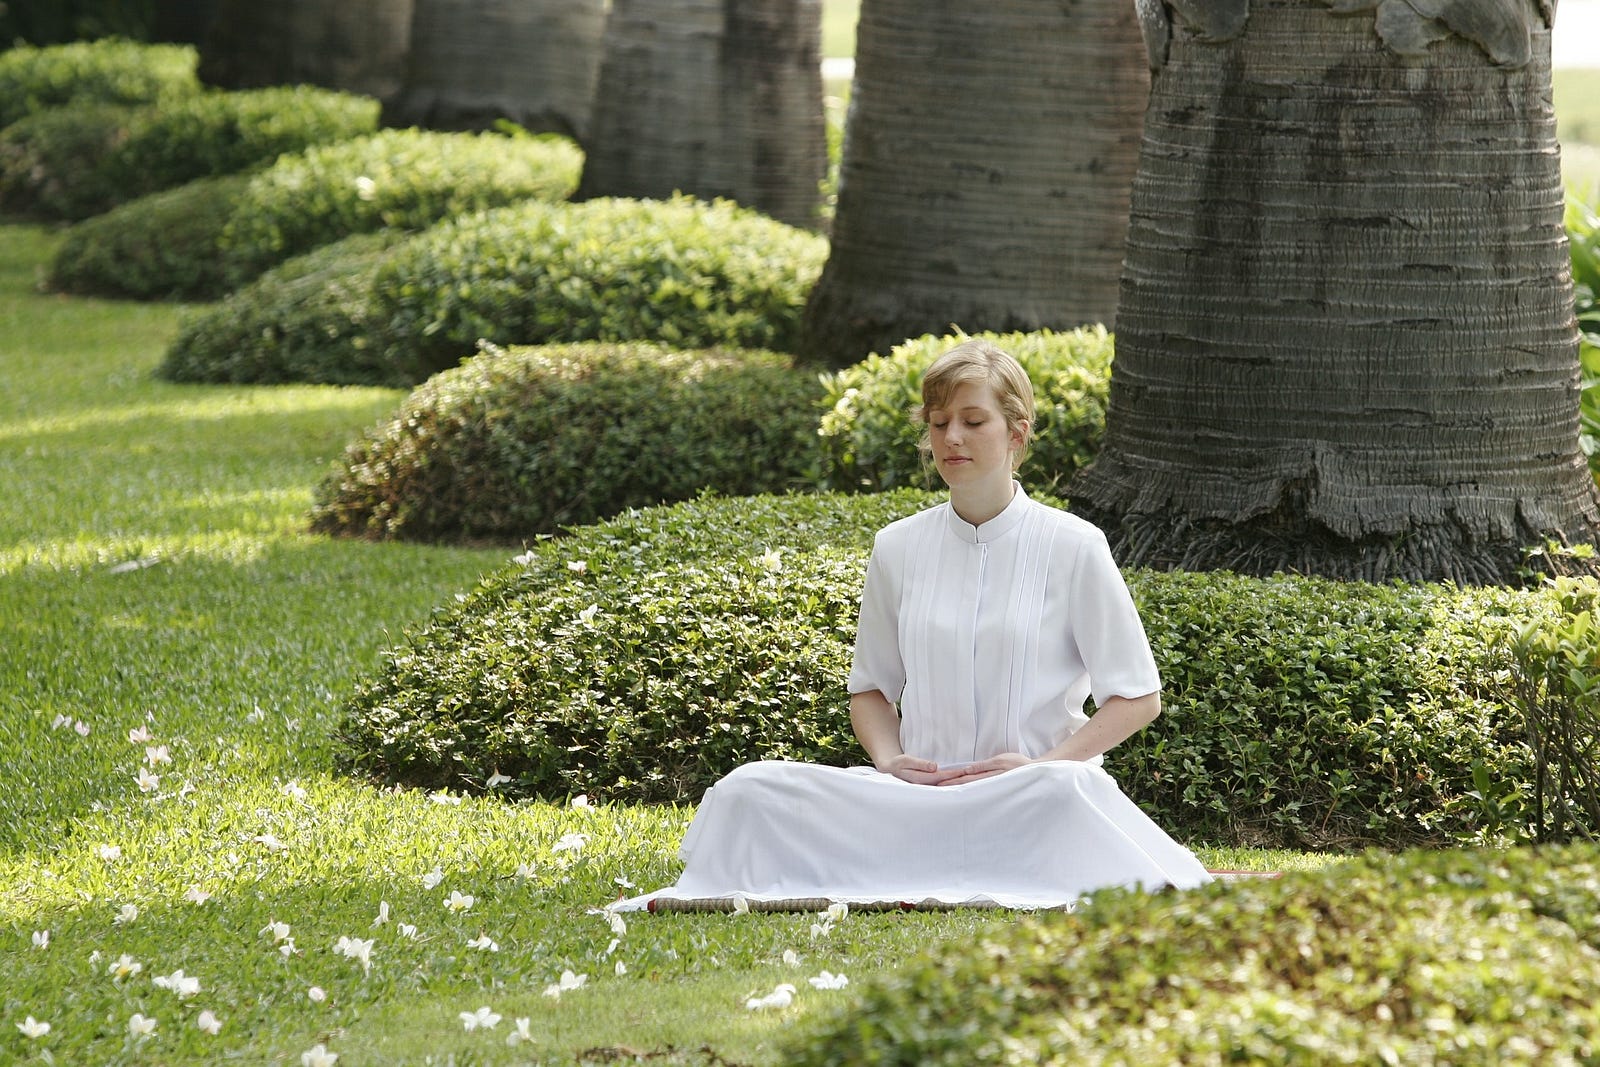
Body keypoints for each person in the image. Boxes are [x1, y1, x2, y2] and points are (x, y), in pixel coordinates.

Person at [615, 339, 1211, 911]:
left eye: (973, 421)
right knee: (751, 787)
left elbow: (1137, 697)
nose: (952, 437)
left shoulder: (1075, 545)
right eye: (938, 421)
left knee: (1069, 791)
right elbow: (870, 689)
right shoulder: (897, 548)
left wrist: (1047, 765)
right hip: (916, 804)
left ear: (1017, 433)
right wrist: (891, 762)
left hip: (1033, 800)